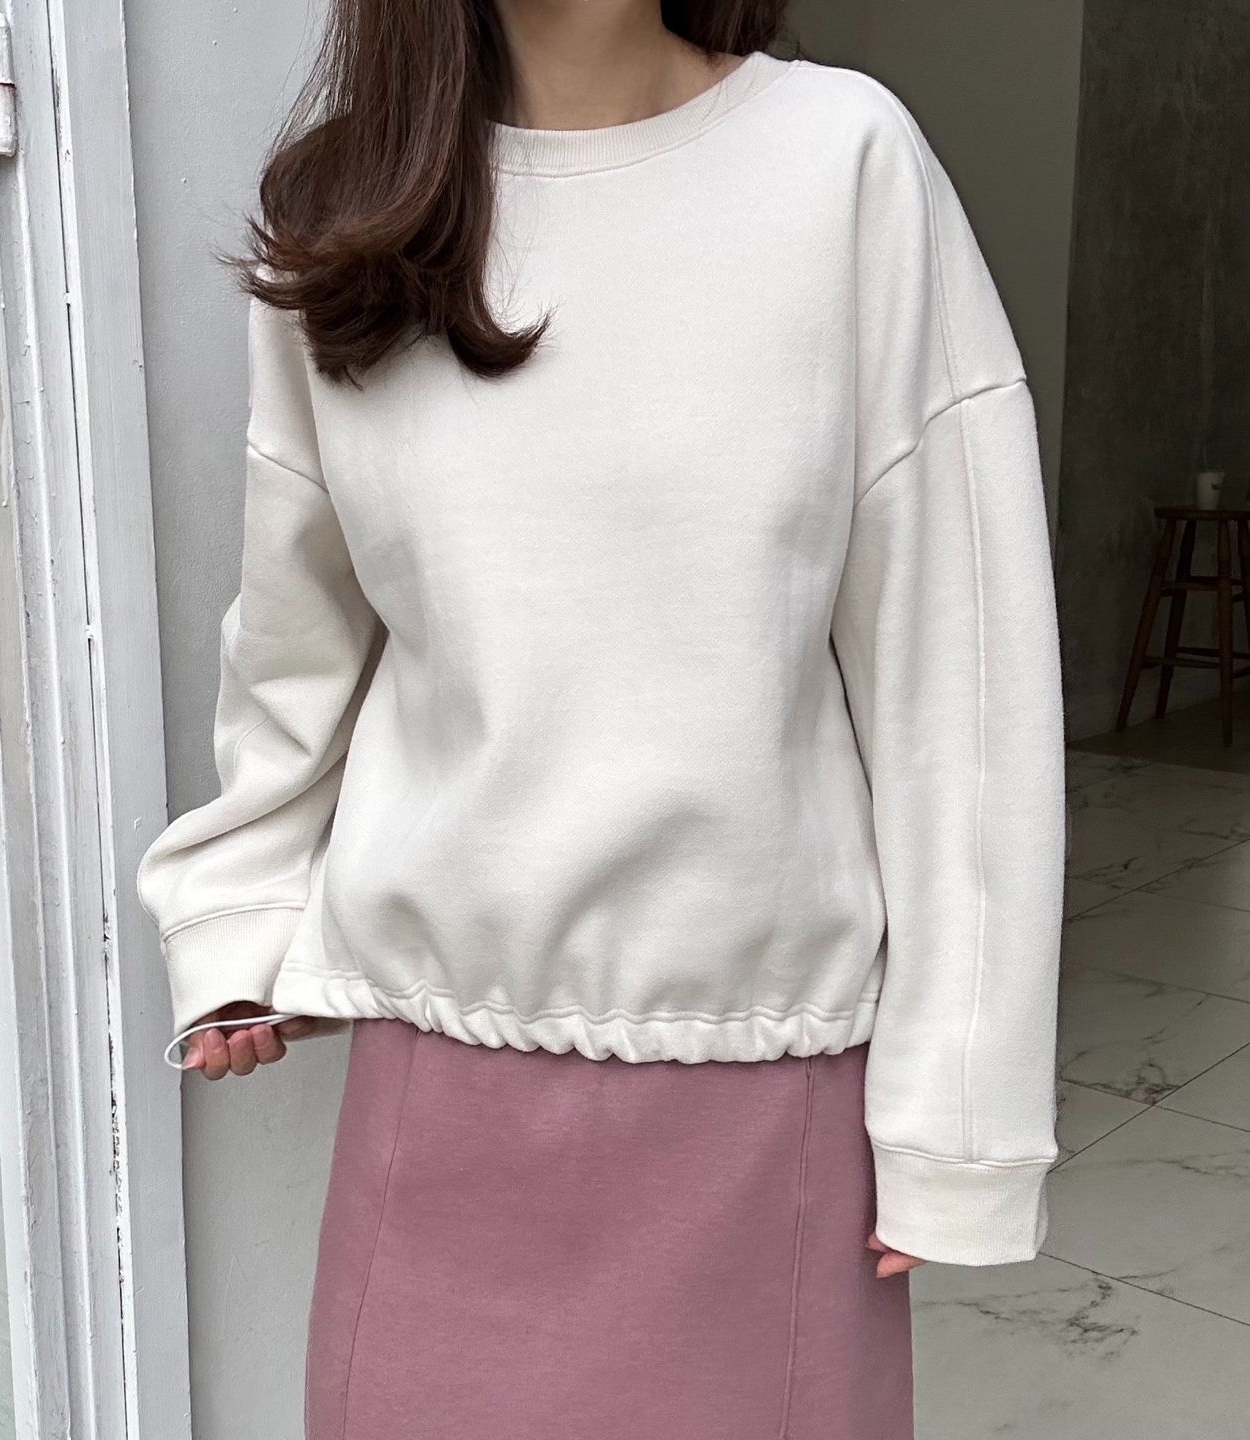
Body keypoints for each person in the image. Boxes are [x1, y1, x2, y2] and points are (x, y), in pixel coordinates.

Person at [137, 3, 1066, 1437]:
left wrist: (958, 1117)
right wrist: (238, 918)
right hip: (436, 1108)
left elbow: (962, 670)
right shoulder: (348, 209)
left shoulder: (842, 164)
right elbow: (293, 639)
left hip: (764, 1101)